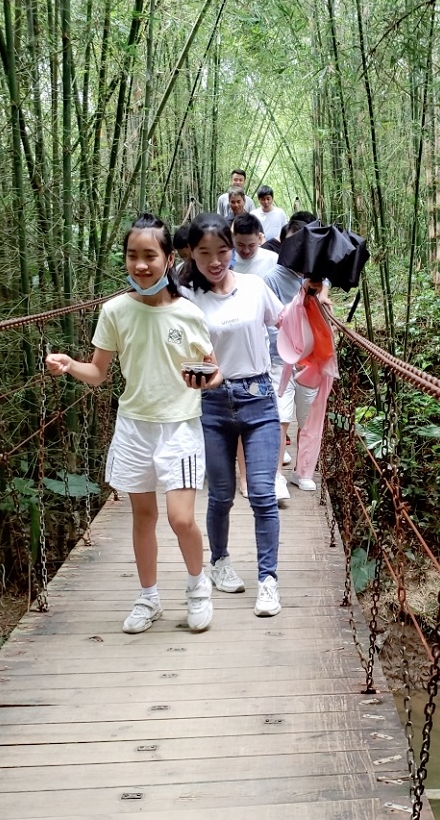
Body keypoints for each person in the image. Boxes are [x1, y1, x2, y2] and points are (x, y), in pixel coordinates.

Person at [46, 213, 220, 635]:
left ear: (167, 259)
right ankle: (149, 598)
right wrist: (70, 365)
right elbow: (99, 372)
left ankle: (198, 588)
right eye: (132, 256)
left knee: (181, 518)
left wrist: (208, 378)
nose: (140, 265)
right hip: (134, 426)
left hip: (179, 426)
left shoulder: (189, 314)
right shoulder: (115, 311)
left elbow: (213, 371)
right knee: (143, 516)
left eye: (150, 256)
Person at [180, 213, 285, 617]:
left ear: (234, 249)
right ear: (192, 253)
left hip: (258, 397)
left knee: (262, 493)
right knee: (221, 495)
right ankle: (220, 561)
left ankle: (268, 581)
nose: (215, 260)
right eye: (204, 252)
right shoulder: (187, 298)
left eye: (222, 250)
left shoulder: (256, 287)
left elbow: (283, 321)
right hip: (211, 402)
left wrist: (314, 296)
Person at [264, 212, 322, 500]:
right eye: (291, 244)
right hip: (281, 360)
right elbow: (273, 322)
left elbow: (323, 317)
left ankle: (302, 472)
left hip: (312, 360)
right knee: (281, 416)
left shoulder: (316, 278)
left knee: (308, 416)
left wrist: (317, 294)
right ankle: (276, 477)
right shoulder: (273, 278)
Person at [232, 212, 278, 278]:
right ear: (233, 238)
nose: (246, 251)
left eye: (251, 245)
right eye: (241, 245)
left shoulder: (272, 260)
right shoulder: (226, 262)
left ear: (259, 238)